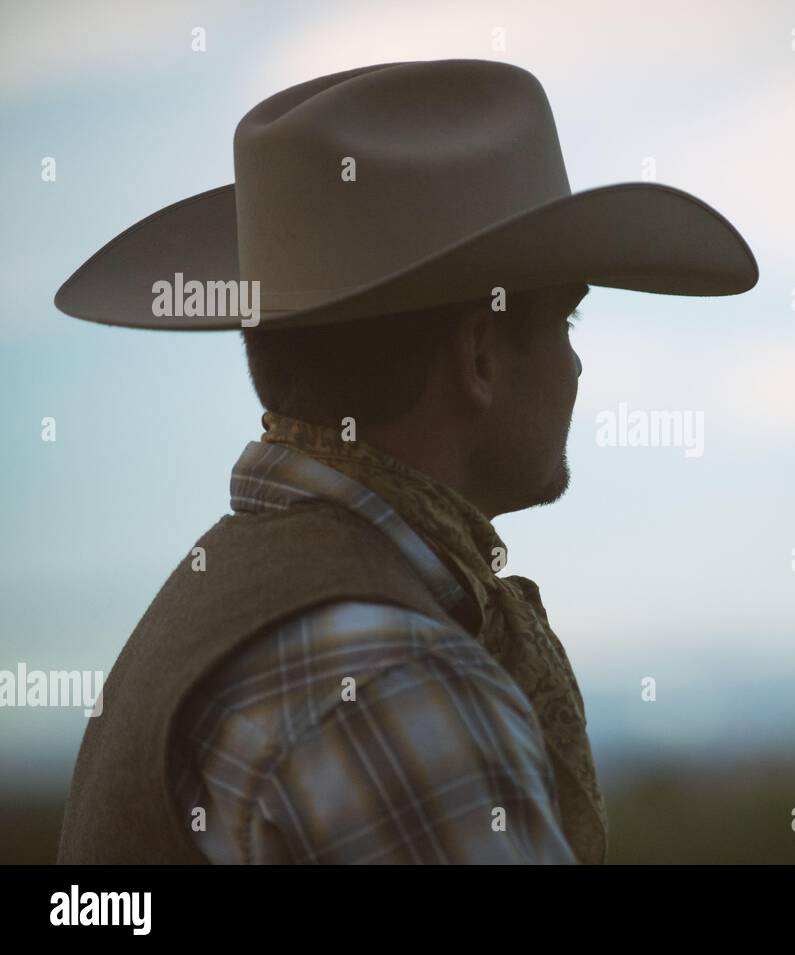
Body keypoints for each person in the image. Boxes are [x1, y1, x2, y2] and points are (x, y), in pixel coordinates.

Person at [52, 59, 758, 864]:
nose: (577, 368)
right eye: (567, 321)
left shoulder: (215, 607)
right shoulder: (394, 680)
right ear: (481, 354)